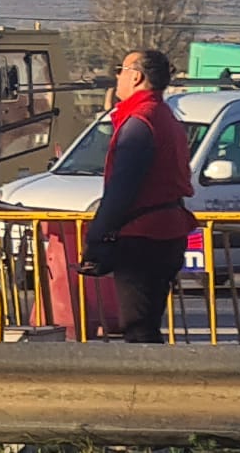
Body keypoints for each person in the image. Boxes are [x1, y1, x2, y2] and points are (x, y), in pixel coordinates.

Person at [83, 49, 195, 343]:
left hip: (143, 237)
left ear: (136, 76)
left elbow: (122, 188)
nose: (116, 76)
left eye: (120, 70)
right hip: (167, 231)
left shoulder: (140, 122)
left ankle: (145, 386)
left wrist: (96, 237)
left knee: (138, 329)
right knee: (145, 322)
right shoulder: (164, 116)